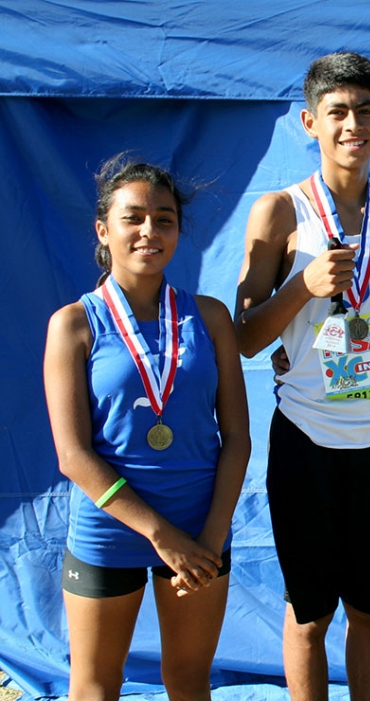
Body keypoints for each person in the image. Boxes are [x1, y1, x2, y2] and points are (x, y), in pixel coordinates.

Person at [233, 52, 370, 701]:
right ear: (309, 122)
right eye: (337, 112)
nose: (353, 124)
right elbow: (246, 337)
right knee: (310, 615)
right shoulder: (279, 212)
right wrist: (303, 287)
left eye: (365, 111)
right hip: (308, 441)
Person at [43, 156, 251, 701]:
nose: (149, 232)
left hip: (201, 526)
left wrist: (207, 539)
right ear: (103, 230)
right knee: (95, 685)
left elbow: (238, 440)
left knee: (187, 681)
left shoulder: (209, 317)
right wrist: (164, 537)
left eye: (164, 219)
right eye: (133, 218)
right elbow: (73, 455)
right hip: (110, 532)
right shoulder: (73, 324)